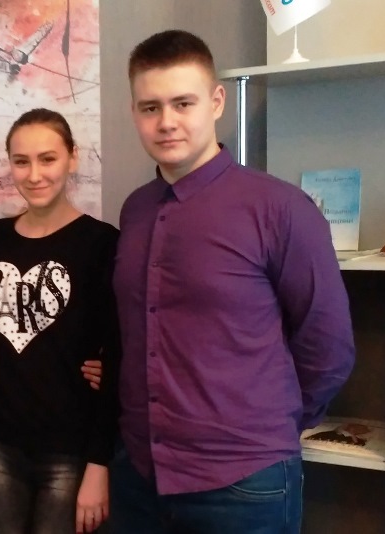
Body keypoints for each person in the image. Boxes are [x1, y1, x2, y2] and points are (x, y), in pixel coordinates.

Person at [110, 30, 356, 533]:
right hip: (139, 473)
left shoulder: (280, 208)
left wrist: (268, 425)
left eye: (183, 103)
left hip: (244, 482)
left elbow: (328, 346)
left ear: (217, 101)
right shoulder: (136, 210)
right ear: (134, 112)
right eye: (151, 107)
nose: (166, 121)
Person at [0, 108, 120, 534]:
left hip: (69, 447)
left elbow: (116, 353)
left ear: (72, 157)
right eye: (21, 161)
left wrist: (99, 464)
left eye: (48, 159)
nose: (34, 174)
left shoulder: (101, 242)